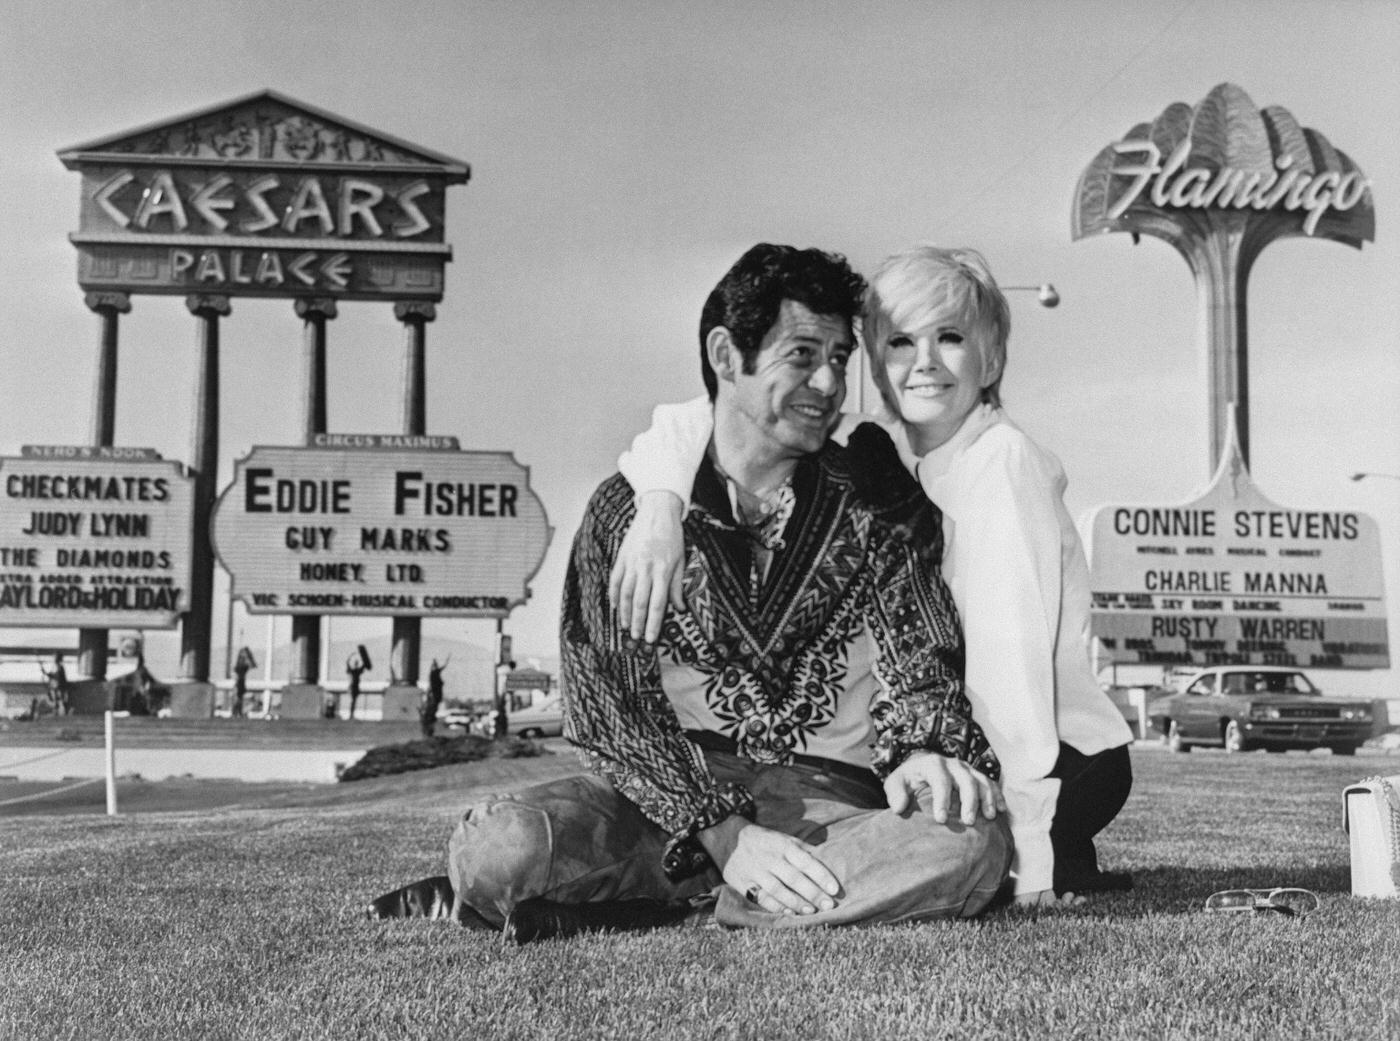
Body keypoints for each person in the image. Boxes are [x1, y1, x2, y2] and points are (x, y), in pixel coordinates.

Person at [367, 243, 1010, 942]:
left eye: (838, 357)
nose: (827, 382)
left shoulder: (874, 494)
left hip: (830, 803)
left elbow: (921, 645)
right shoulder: (628, 510)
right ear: (727, 355)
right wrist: (727, 833)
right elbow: (606, 706)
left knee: (969, 846)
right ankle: (736, 890)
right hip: (667, 800)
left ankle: (681, 906)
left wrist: (924, 747)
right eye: (802, 354)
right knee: (499, 850)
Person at [612, 245, 1134, 906]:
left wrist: (1034, 853)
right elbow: (696, 417)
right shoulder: (882, 449)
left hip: (1057, 755)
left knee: (947, 851)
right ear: (876, 365)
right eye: (899, 342)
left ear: (992, 358)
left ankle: (713, 899)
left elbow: (1013, 676)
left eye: (950, 338)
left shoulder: (1002, 465)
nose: (924, 362)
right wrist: (660, 503)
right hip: (977, 737)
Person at [421, 658, 446, 738]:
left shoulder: (434, 673)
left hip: (435, 695)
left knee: (431, 711)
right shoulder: (434, 673)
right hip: (435, 695)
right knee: (430, 712)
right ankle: (428, 732)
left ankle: (428, 732)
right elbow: (440, 669)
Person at [345, 645, 371, 720]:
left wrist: (363, 657)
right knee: (353, 701)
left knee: (354, 701)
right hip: (352, 686)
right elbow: (347, 663)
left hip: (356, 687)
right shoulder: (353, 671)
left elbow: (364, 665)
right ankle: (351, 715)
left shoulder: (357, 671)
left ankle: (351, 715)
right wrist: (351, 656)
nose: (356, 664)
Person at [232, 646, 256, 718]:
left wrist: (248, 657)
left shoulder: (244, 662)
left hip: (241, 681)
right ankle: (237, 713)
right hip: (239, 681)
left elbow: (252, 665)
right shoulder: (240, 662)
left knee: (239, 698)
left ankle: (238, 713)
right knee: (238, 698)